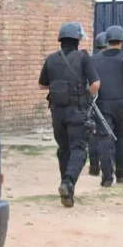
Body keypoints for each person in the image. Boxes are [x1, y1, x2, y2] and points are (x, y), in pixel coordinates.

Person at [38, 22, 100, 207]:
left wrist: (61, 87)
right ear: (78, 39)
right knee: (79, 149)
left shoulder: (50, 59)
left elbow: (42, 85)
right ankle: (68, 182)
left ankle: (67, 192)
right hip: (77, 112)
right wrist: (82, 93)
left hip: (57, 112)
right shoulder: (83, 58)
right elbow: (95, 84)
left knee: (64, 150)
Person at [92, 25, 123, 187]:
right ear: (122, 41)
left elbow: (90, 83)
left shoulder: (95, 59)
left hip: (102, 104)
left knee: (104, 139)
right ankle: (121, 174)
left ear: (106, 41)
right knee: (121, 139)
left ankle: (106, 177)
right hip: (122, 104)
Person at [87, 31, 108, 176]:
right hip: (108, 102)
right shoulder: (115, 59)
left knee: (92, 135)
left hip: (92, 102)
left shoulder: (90, 60)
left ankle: (94, 166)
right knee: (106, 135)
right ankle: (107, 164)